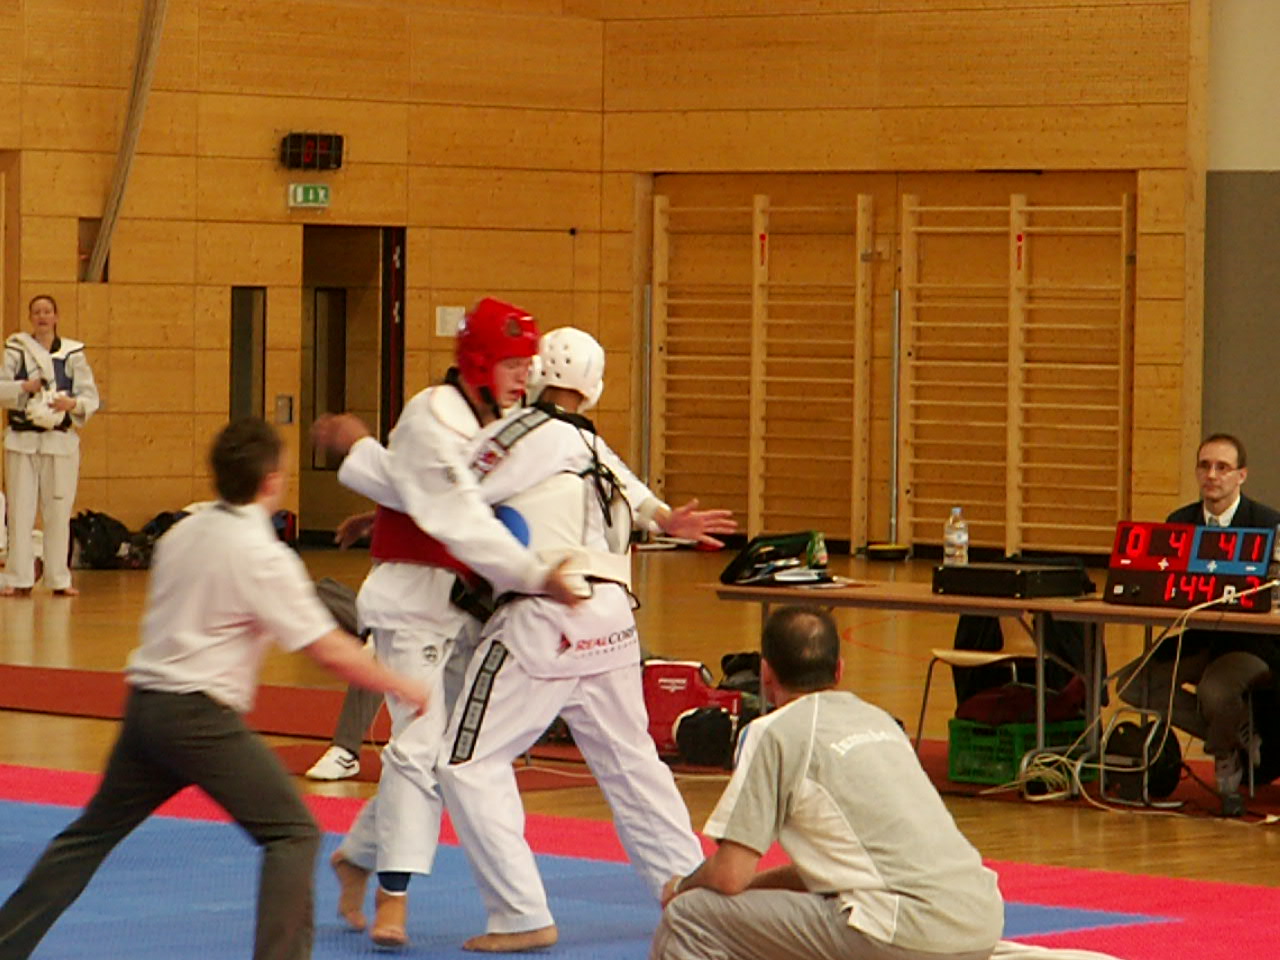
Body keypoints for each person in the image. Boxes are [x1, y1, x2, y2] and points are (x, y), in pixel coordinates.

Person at [0, 417, 431, 960]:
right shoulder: (261, 554)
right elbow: (327, 649)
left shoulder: (183, 532)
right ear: (272, 481)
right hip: (199, 720)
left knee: (88, 838)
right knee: (293, 833)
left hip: (147, 709)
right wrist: (403, 684)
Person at [436, 326, 736, 952]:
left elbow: (447, 491)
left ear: (534, 374)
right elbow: (642, 499)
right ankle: (691, 894)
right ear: (593, 386)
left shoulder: (519, 431)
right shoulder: (589, 442)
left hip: (546, 613)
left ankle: (520, 913)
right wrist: (670, 520)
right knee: (631, 763)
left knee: (466, 763)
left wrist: (392, 512)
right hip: (612, 620)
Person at [312, 298, 581, 948]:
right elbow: (453, 511)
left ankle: (357, 856)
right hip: (411, 606)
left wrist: (364, 464)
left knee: (442, 752)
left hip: (466, 606)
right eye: (513, 364)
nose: (524, 377)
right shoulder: (434, 413)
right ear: (480, 363)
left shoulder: (504, 422)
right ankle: (393, 897)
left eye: (528, 365)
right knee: (418, 748)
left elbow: (432, 490)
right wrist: (534, 574)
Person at [652, 605, 1004, 960]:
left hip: (906, 933)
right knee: (809, 913)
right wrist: (758, 891)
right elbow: (832, 871)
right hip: (980, 922)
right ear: (839, 670)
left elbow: (730, 875)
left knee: (688, 916)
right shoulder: (879, 721)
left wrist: (682, 887)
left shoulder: (774, 732)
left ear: (766, 673)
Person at [1115, 432, 1280, 815]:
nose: (1212, 475)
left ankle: (1224, 755)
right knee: (1132, 683)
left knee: (1215, 692)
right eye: (1205, 466)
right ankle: (1233, 739)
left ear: (1241, 475)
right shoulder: (1180, 522)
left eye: (1222, 467)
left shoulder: (1269, 524)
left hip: (1251, 645)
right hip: (1200, 639)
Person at [0, 294, 99, 597]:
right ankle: (18, 577)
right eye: (37, 312)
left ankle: (58, 578)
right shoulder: (16, 350)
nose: (42, 317)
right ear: (31, 318)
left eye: (47, 311)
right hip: (22, 441)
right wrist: (24, 387)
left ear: (56, 317)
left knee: (58, 509)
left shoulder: (73, 353)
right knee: (20, 510)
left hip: (60, 441)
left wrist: (72, 404)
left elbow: (90, 397)